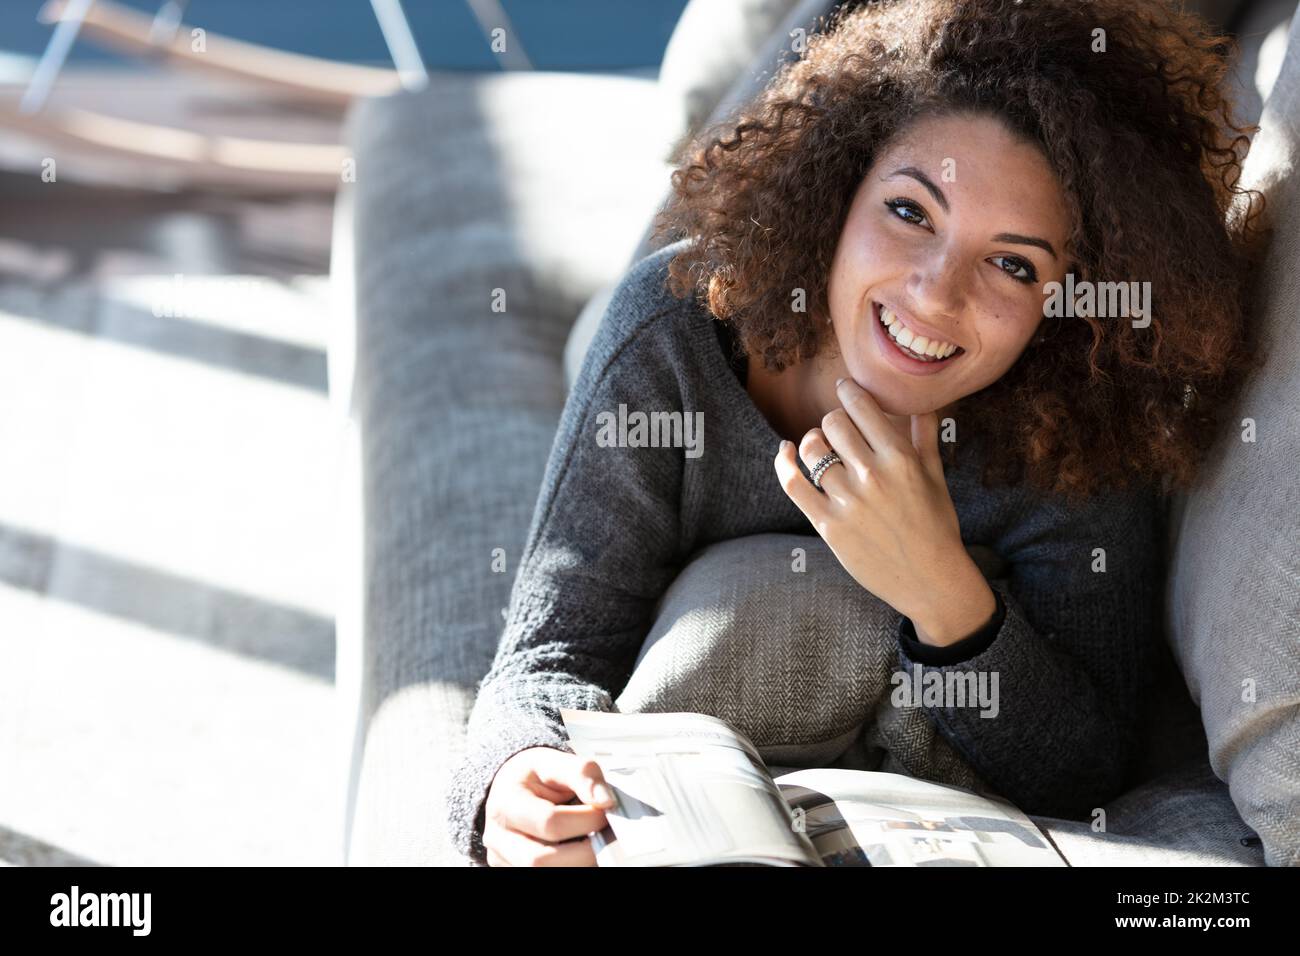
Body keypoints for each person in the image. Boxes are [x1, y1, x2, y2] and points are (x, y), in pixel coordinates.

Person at [445, 0, 1263, 866]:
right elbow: (546, 655)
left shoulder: (1077, 429)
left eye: (1013, 264)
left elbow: (1086, 767)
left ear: (1067, 305)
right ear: (838, 195)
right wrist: (513, 776)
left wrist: (946, 597)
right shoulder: (674, 343)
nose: (935, 294)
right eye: (911, 212)